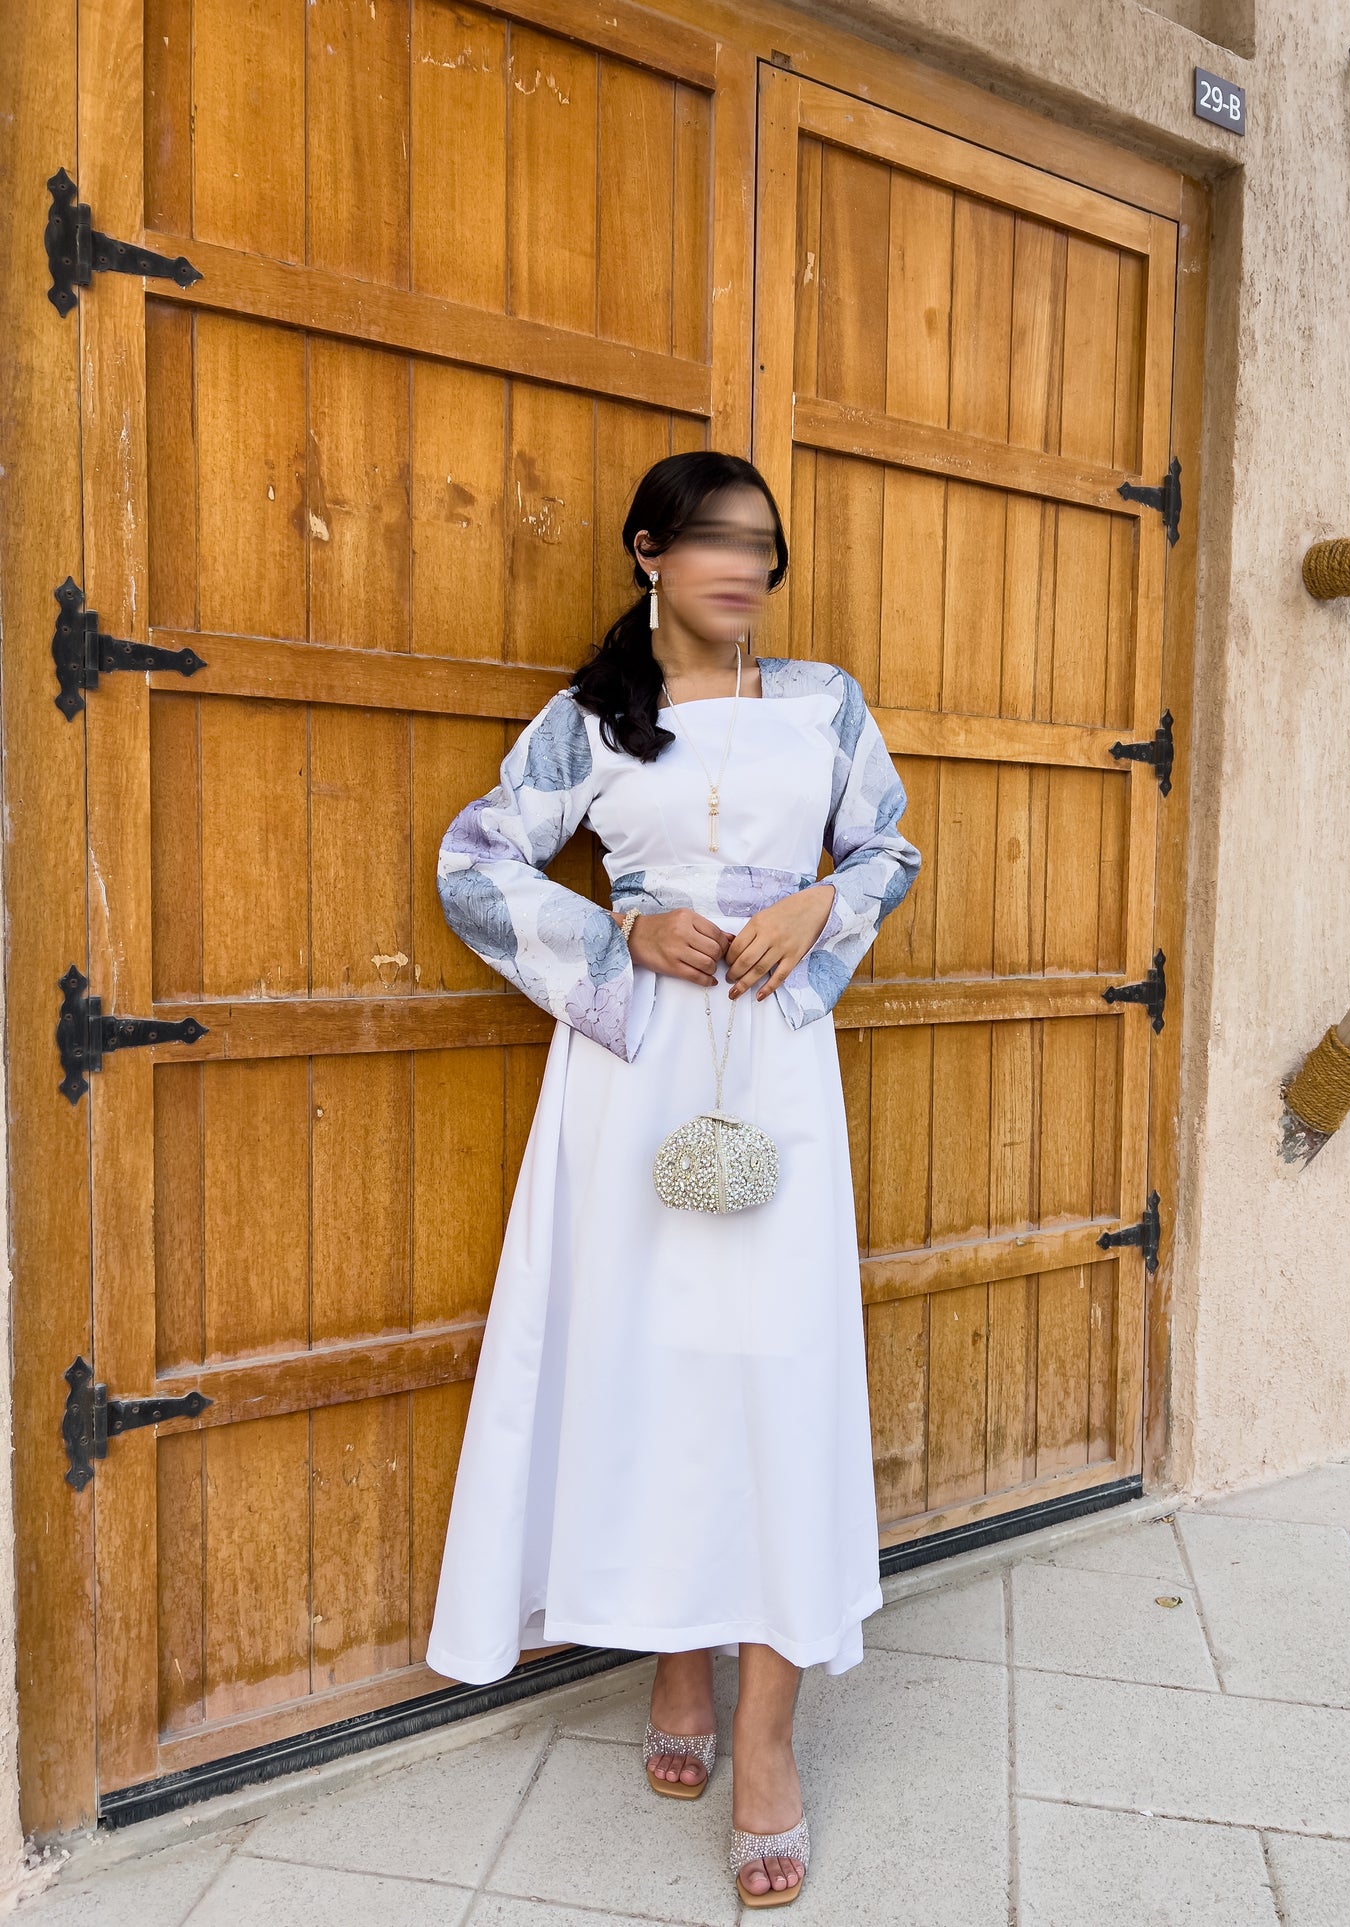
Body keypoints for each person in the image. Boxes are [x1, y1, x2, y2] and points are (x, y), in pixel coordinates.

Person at [426, 449, 922, 1908]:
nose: (742, 570)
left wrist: (824, 899)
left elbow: (886, 843)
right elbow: (474, 860)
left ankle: (765, 1732)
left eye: (761, 547)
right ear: (649, 550)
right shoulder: (589, 725)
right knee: (653, 1367)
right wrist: (616, 936)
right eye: (712, 541)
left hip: (774, 1064)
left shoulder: (822, 705)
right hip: (632, 1076)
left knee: (769, 1373)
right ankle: (676, 1668)